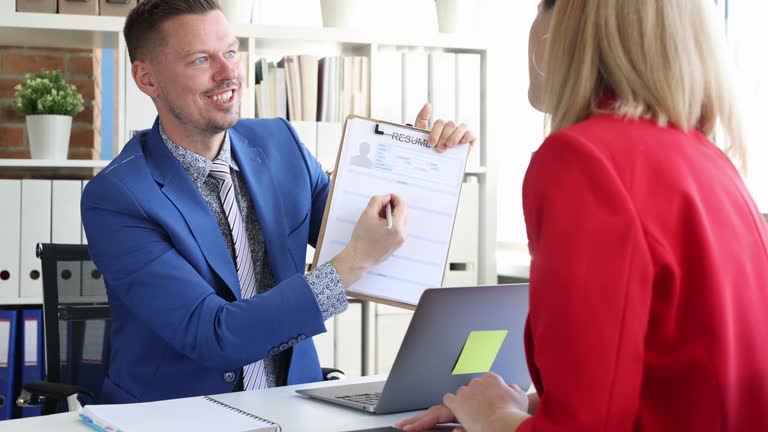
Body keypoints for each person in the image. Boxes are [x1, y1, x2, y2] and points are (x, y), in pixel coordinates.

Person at [398, 0, 768, 431]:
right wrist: (523, 406)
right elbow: (672, 384)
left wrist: (495, 420)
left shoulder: (583, 161)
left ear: (566, 26)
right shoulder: (711, 162)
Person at [81, 0, 476, 404]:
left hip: (295, 403)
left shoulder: (280, 144)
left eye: (231, 52)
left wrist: (421, 162)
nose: (229, 73)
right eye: (201, 59)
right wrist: (350, 264)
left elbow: (373, 237)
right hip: (178, 414)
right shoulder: (118, 196)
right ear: (147, 78)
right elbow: (213, 334)